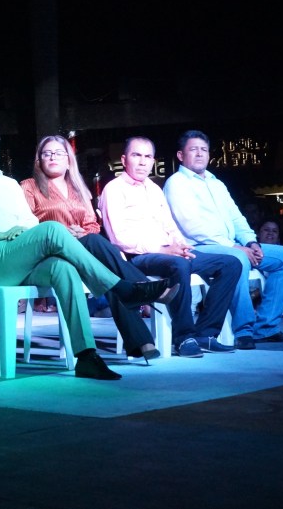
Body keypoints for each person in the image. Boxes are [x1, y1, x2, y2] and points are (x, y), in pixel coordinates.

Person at [0, 119, 171, 380]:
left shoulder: (9, 184)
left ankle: (86, 356)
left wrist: (23, 233)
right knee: (52, 229)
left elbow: (28, 221)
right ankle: (123, 289)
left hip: (17, 258)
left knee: (63, 268)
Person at [20, 134, 190, 362]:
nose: (53, 157)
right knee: (95, 243)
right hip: (50, 253)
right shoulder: (29, 187)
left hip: (81, 251)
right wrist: (64, 233)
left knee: (108, 275)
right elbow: (26, 226)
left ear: (68, 159)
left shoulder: (77, 188)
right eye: (47, 153)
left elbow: (92, 224)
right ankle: (146, 288)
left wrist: (81, 233)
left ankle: (141, 342)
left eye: (59, 153)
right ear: (39, 159)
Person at [99, 136, 243, 356]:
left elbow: (170, 226)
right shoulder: (114, 189)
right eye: (136, 155)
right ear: (124, 159)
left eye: (147, 156)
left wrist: (181, 246)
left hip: (169, 252)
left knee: (231, 264)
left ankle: (206, 333)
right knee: (179, 265)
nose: (142, 162)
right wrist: (163, 249)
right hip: (137, 256)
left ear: (153, 161)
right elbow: (119, 238)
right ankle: (184, 338)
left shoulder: (154, 189)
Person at [163, 130, 283, 349]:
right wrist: (236, 247)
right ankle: (243, 330)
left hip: (230, 245)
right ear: (181, 155)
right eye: (193, 149)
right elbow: (194, 228)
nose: (199, 153)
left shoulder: (215, 183)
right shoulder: (176, 183)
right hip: (200, 247)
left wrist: (251, 242)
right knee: (238, 259)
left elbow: (236, 217)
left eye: (204, 149)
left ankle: (266, 327)